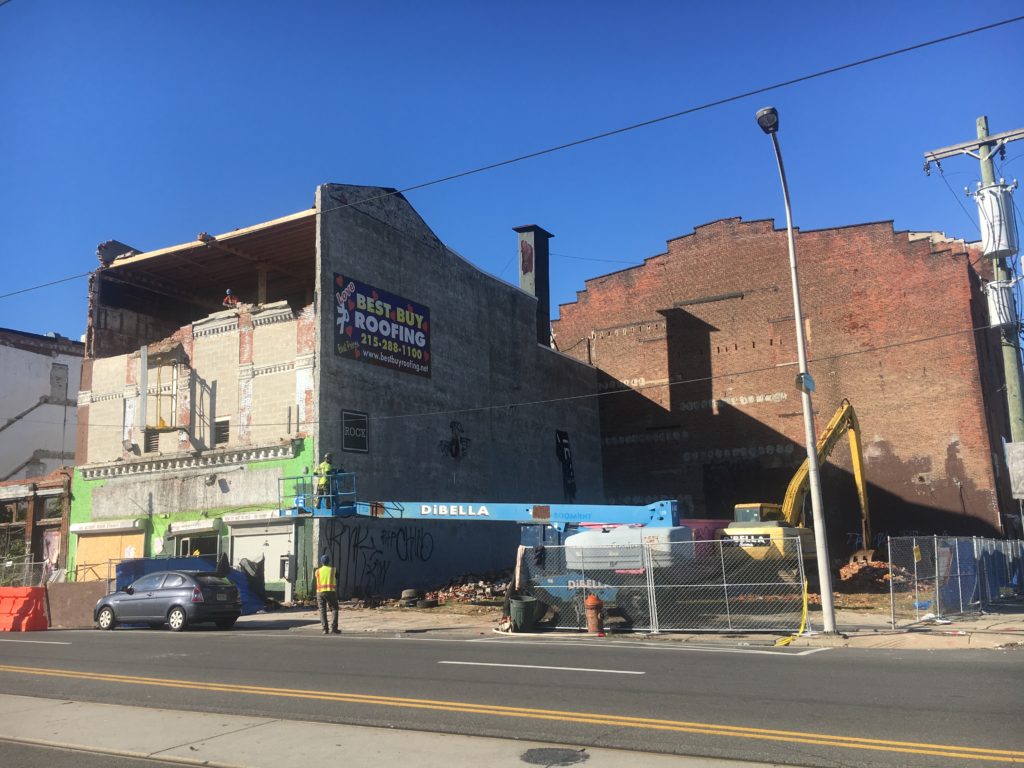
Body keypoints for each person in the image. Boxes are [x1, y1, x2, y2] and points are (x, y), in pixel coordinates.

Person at [315, 554, 340, 634]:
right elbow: (337, 577)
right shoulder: (333, 570)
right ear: (329, 562)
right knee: (334, 608)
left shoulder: (317, 571)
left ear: (321, 562)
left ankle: (325, 629)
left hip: (320, 592)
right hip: (330, 591)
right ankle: (334, 628)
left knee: (322, 610)